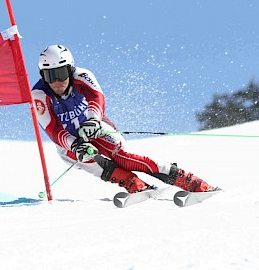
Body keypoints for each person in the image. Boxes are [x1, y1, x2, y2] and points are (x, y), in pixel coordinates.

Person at [32, 45, 217, 194]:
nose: (56, 82)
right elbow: (53, 129)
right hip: (69, 144)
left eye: (61, 73)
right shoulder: (39, 95)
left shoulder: (82, 76)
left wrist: (92, 121)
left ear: (70, 69)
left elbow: (97, 98)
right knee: (98, 163)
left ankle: (190, 181)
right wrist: (74, 145)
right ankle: (134, 184)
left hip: (95, 128)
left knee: (124, 157)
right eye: (50, 75)